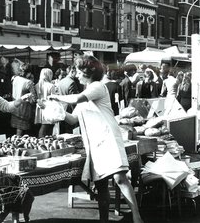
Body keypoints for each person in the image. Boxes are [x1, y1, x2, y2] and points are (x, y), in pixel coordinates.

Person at [48, 55, 143, 223]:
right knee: (101, 184)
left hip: (108, 138)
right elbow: (72, 119)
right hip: (94, 143)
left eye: (78, 71)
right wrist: (54, 109)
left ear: (88, 72)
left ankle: (137, 218)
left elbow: (77, 98)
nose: (76, 75)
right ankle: (103, 220)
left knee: (120, 178)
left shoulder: (98, 87)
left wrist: (57, 97)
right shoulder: (86, 93)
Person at [11, 63, 37, 136]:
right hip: (24, 111)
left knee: (16, 133)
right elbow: (34, 99)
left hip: (15, 107)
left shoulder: (15, 79)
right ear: (29, 72)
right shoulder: (29, 83)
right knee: (20, 134)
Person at [56, 65, 81, 134]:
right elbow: (73, 98)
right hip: (70, 109)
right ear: (72, 71)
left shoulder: (61, 81)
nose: (77, 74)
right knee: (70, 132)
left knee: (62, 131)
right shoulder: (72, 82)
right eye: (76, 72)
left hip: (62, 107)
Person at [34, 68, 58, 137]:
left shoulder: (37, 85)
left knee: (43, 126)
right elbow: (54, 98)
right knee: (45, 127)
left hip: (39, 107)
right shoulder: (51, 86)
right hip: (48, 107)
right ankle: (42, 141)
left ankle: (41, 141)